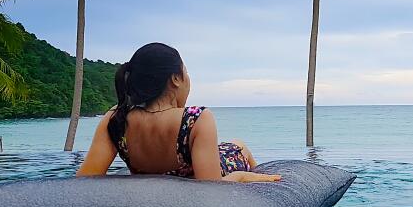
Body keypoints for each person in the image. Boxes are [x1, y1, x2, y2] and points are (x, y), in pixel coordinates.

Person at [76, 42, 280, 183]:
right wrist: (242, 177)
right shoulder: (195, 118)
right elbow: (213, 188)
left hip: (165, 170)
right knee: (239, 146)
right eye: (186, 73)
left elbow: (85, 179)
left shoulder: (116, 117)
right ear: (175, 79)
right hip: (212, 171)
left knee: (230, 145)